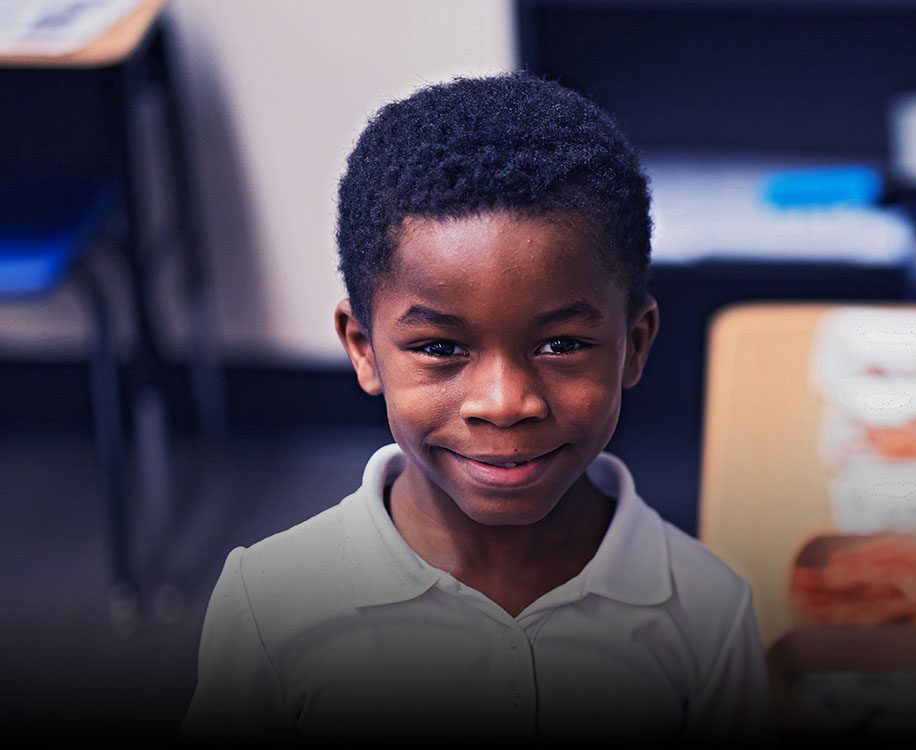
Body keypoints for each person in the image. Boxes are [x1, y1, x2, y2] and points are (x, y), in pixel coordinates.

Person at [179, 73, 771, 744]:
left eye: (561, 344)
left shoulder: (705, 610)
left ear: (633, 345)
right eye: (440, 347)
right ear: (363, 348)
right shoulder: (272, 604)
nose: (504, 403)